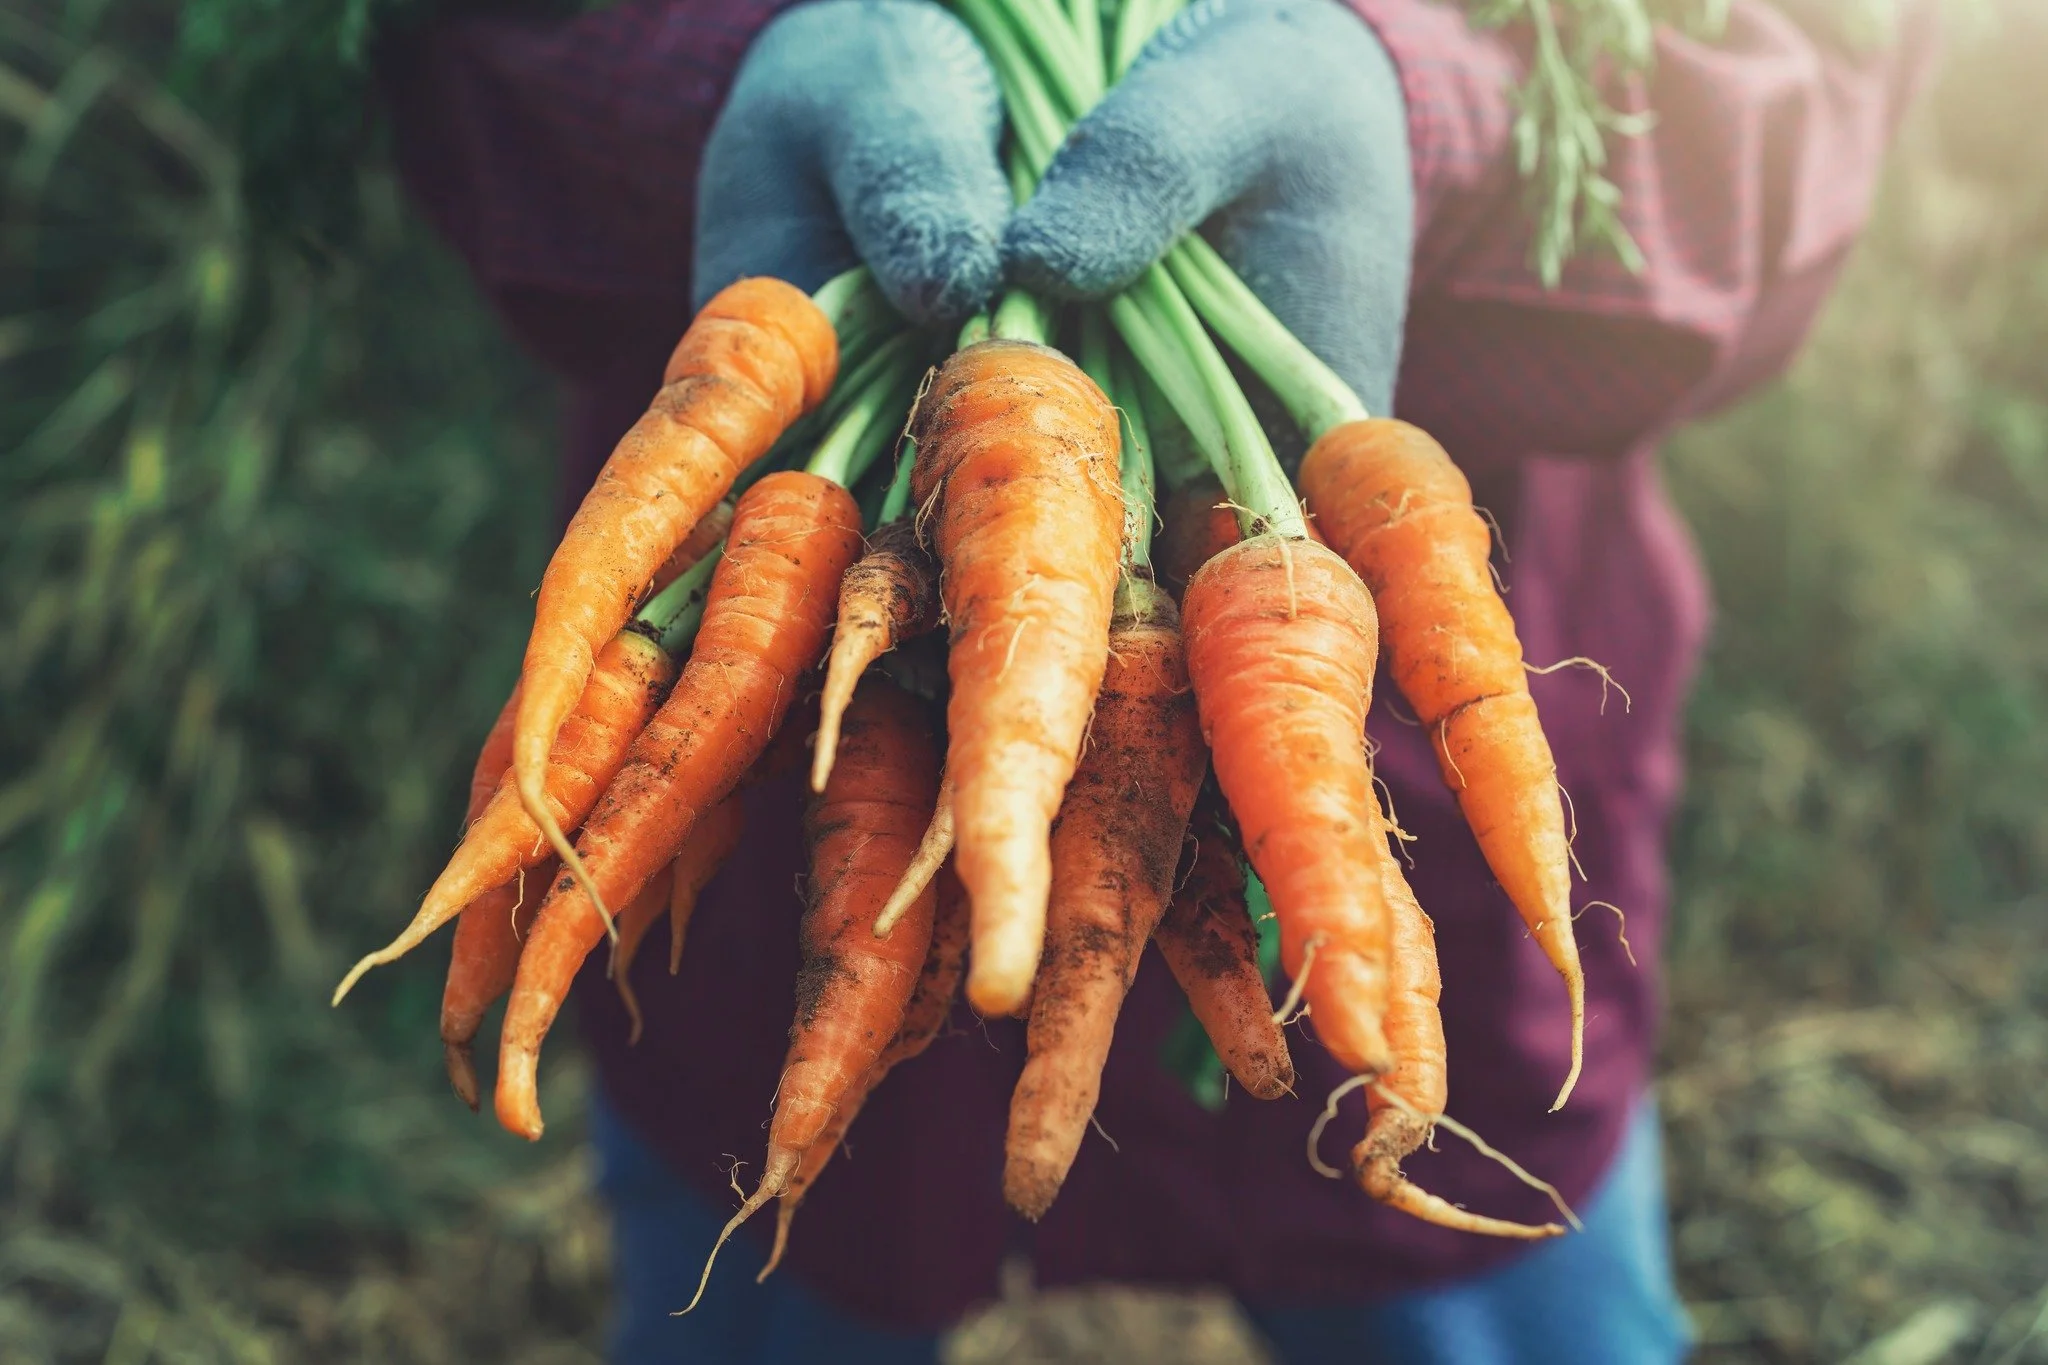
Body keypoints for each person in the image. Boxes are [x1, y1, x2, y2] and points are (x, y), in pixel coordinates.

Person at [381, 1, 1931, 1359]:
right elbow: (462, 47)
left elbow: (1804, 94)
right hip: (778, 797)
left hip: (1417, 797)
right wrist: (723, 75)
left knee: (1462, 1212)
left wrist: (1416, 105)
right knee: (779, 1234)